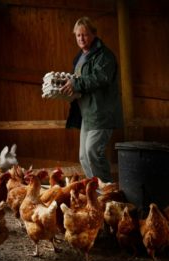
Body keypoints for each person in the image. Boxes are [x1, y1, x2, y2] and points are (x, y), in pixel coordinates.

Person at [60, 16, 123, 183]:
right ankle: (94, 191)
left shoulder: (104, 55)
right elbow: (79, 82)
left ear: (94, 34)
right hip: (87, 113)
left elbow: (100, 78)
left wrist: (76, 84)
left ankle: (107, 192)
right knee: (83, 157)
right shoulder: (81, 57)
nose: (81, 38)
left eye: (85, 34)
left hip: (101, 112)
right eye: (78, 35)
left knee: (93, 153)